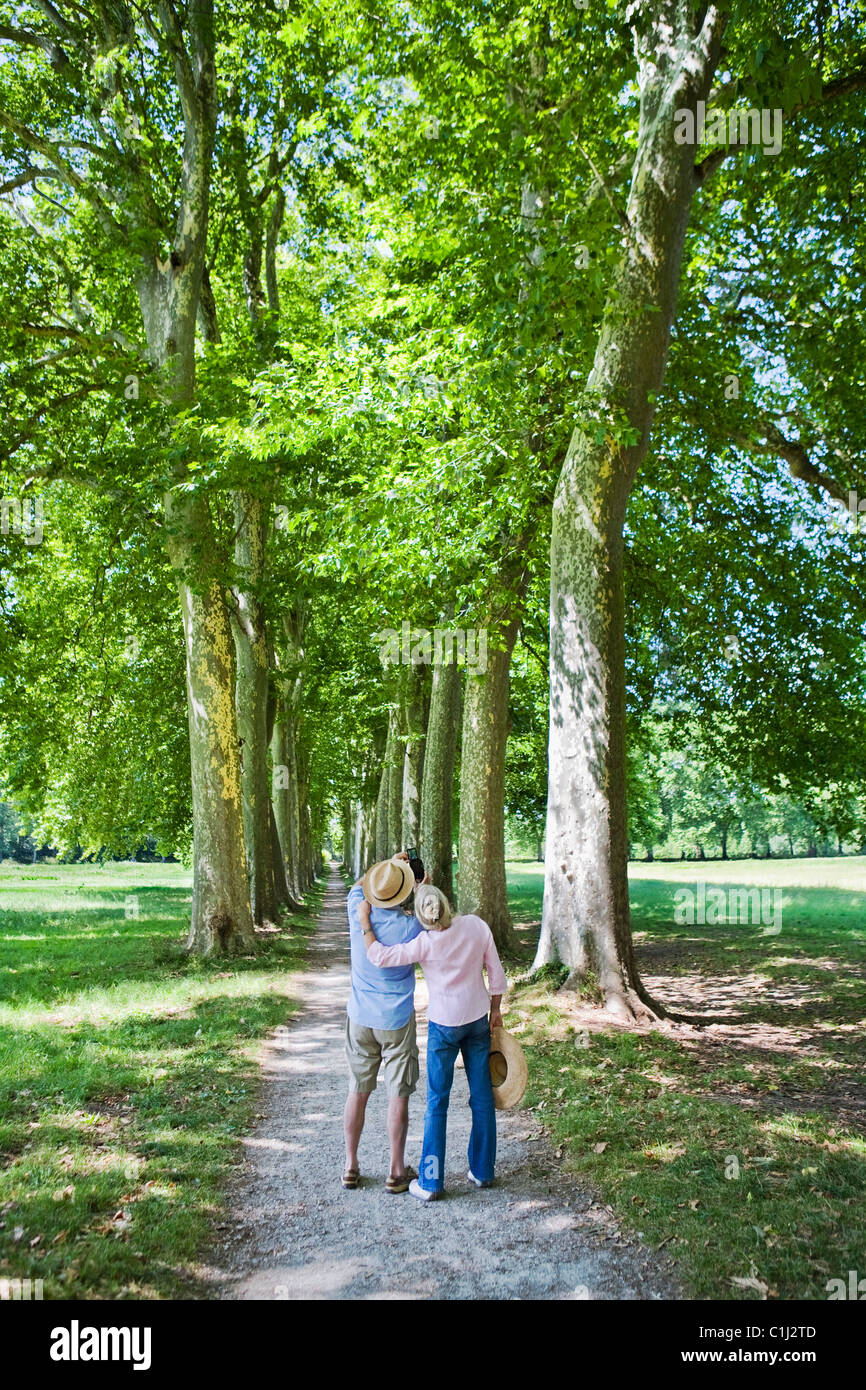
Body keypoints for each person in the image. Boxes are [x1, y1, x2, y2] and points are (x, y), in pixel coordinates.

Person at [358, 883, 507, 1202]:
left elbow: (379, 956)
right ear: (446, 904)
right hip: (478, 1019)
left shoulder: (424, 943)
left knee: (437, 1102)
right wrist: (496, 1012)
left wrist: (365, 922)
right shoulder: (475, 926)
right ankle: (482, 1171)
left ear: (422, 918)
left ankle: (431, 1180)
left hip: (444, 1027)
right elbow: (496, 972)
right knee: (482, 1096)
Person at [343, 852, 424, 1193]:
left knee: (357, 1091)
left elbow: (360, 885)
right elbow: (427, 911)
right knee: (398, 1095)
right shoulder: (411, 926)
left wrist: (386, 868)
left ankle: (350, 1164)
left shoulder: (355, 910)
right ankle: (395, 1169)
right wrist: (418, 885)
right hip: (396, 1019)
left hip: (360, 1017)